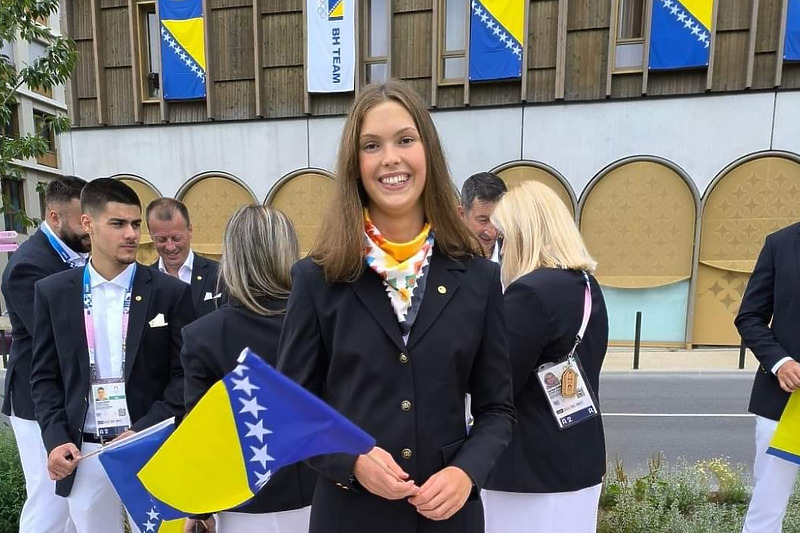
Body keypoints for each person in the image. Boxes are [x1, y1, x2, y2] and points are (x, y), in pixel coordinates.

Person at [276, 80, 515, 533]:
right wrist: (351, 461)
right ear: (356, 164)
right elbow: (290, 410)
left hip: (448, 518)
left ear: (428, 151)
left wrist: (466, 472)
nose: (391, 158)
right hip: (350, 516)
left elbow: (497, 410)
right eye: (372, 145)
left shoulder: (478, 279)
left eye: (405, 140)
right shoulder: (317, 279)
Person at [30, 178, 196, 533]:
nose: (132, 234)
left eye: (135, 224)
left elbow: (185, 377)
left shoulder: (171, 293)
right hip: (85, 454)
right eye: (118, 224)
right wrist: (56, 439)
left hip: (150, 449)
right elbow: (44, 377)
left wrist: (142, 430)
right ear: (88, 225)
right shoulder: (53, 293)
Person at [482, 181, 609, 533]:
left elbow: (496, 382)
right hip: (578, 454)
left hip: (529, 470)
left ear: (523, 235)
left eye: (503, 239)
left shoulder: (529, 293)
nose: (500, 251)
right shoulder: (584, 283)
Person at [181, 205, 316, 533]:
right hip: (324, 489)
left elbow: (202, 433)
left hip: (245, 500)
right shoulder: (323, 320)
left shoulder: (204, 335)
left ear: (232, 257)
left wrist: (199, 508)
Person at [1, 176, 89, 533]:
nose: (88, 226)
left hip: (68, 398)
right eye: (80, 218)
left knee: (71, 503)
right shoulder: (28, 266)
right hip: (37, 402)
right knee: (50, 501)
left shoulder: (79, 253)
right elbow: (53, 337)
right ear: (54, 218)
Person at [735, 223, 800, 533]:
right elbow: (749, 317)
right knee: (768, 506)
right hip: (784, 401)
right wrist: (780, 362)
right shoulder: (780, 244)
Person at [146, 197, 221, 317]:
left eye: (176, 238)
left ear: (190, 230)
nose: (170, 247)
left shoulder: (219, 274)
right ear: (151, 236)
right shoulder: (143, 282)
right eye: (162, 239)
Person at [458, 172, 507, 261]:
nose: (492, 232)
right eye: (483, 220)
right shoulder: (442, 261)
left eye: (497, 220)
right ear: (462, 214)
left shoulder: (518, 261)